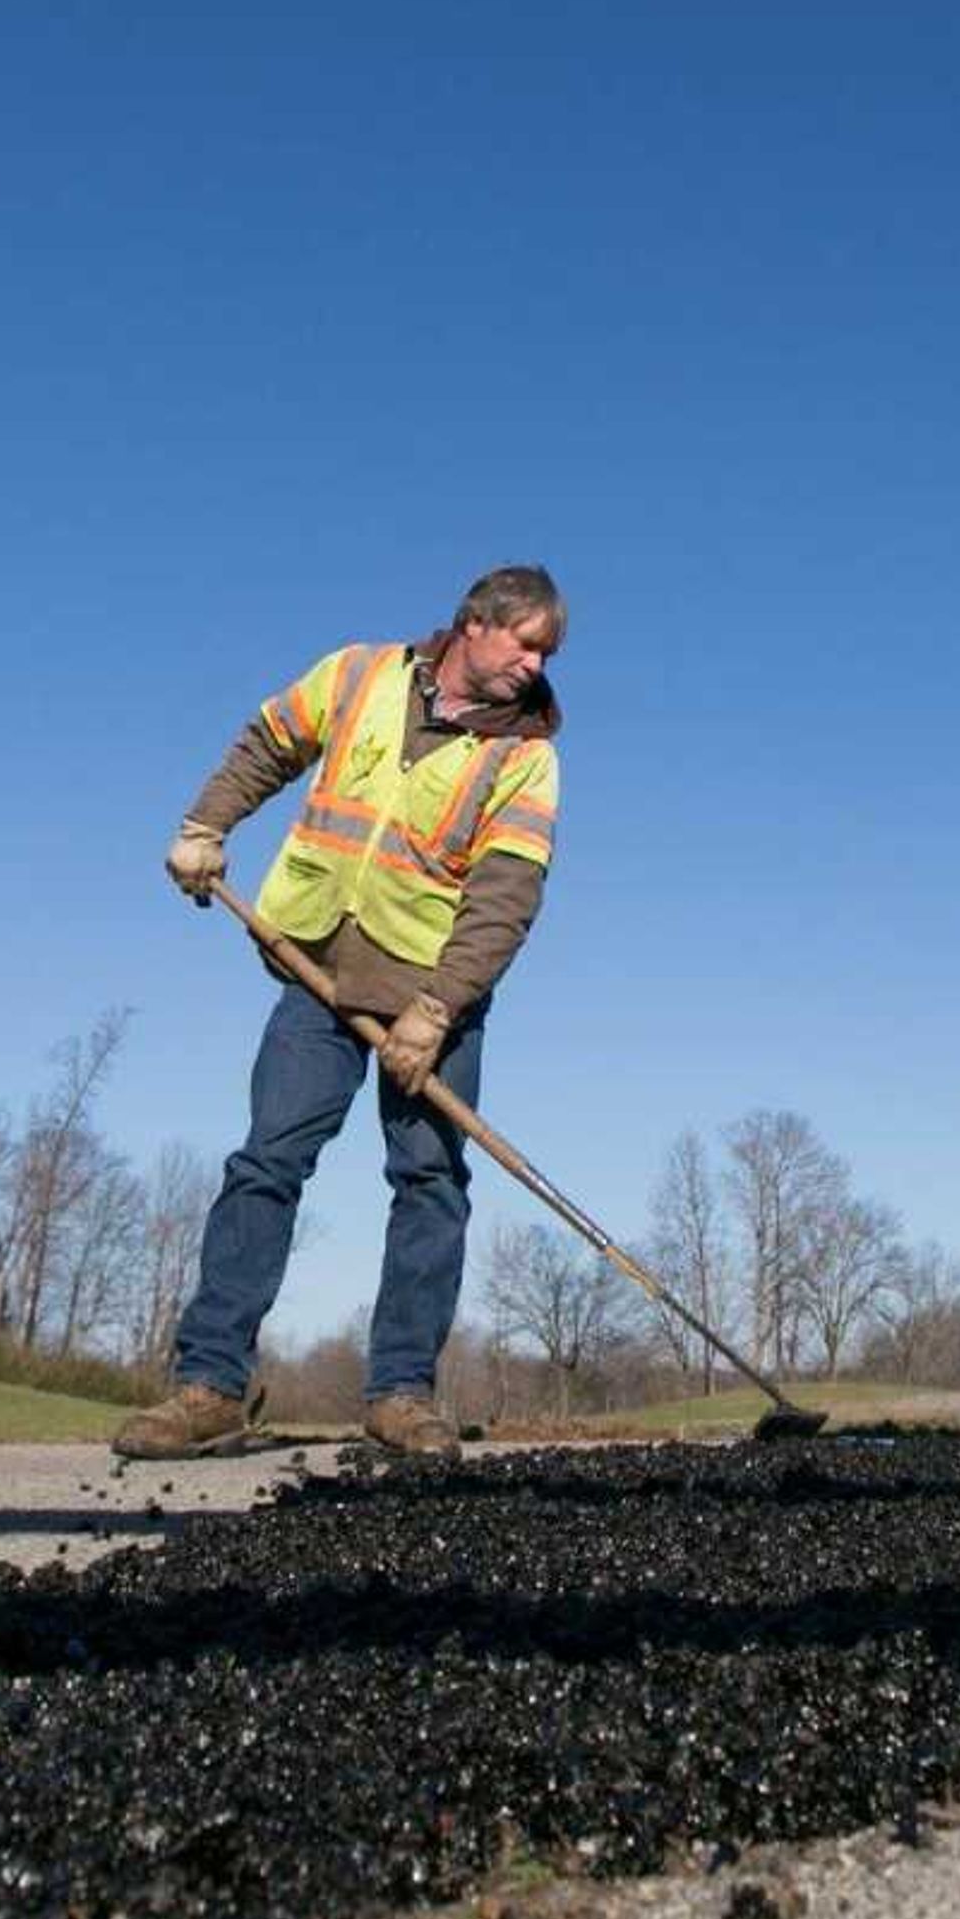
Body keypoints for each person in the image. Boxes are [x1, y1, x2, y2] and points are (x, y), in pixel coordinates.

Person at [112, 565, 566, 1461]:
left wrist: (435, 1012)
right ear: (475, 624)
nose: (535, 664)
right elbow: (267, 746)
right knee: (267, 1164)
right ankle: (209, 1386)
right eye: (525, 642)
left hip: (436, 999)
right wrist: (206, 827)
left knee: (429, 1185)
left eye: (547, 652)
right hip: (315, 967)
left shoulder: (526, 756)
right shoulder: (357, 675)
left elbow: (506, 897)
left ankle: (400, 1394)